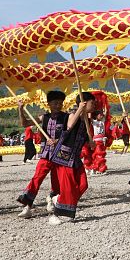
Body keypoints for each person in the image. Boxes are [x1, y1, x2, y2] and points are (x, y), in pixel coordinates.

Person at [47, 92, 96, 225]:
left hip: (74, 157)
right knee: (69, 188)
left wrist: (91, 142)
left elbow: (83, 137)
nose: (94, 105)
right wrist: (80, 108)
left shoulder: (87, 120)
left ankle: (60, 199)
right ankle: (55, 215)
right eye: (93, 102)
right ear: (84, 103)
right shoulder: (71, 115)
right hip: (63, 157)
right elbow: (69, 126)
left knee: (83, 185)